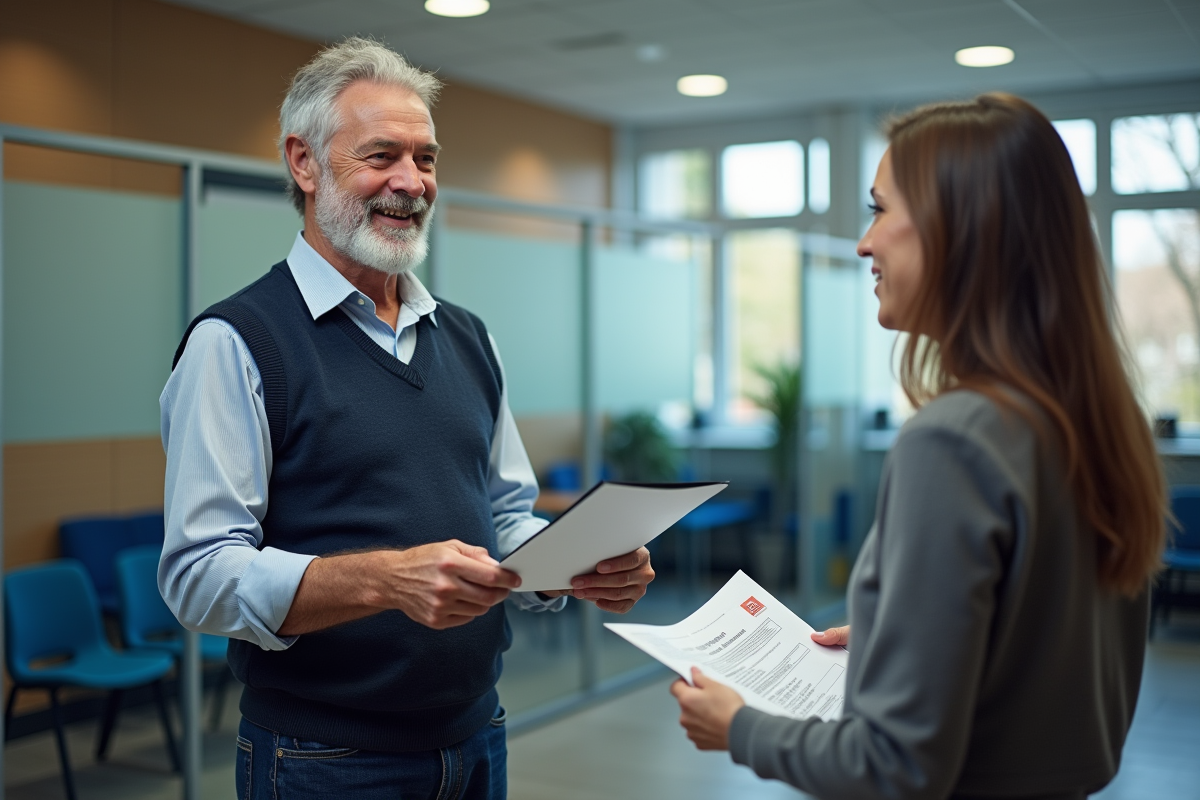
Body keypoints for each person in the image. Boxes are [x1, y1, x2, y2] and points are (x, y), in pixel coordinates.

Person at [159, 37, 653, 800]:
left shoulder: (468, 336)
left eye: (426, 159)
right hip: (321, 759)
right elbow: (198, 575)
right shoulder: (237, 343)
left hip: (477, 735)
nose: (411, 182)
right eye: (382, 156)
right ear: (303, 163)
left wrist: (570, 563)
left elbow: (503, 514)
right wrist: (385, 581)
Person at [671, 93, 1166, 800]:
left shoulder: (955, 440)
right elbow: (1045, 654)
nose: (863, 245)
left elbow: (895, 766)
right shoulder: (1101, 423)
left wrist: (740, 726)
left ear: (961, 228)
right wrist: (903, 634)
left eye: (879, 211)